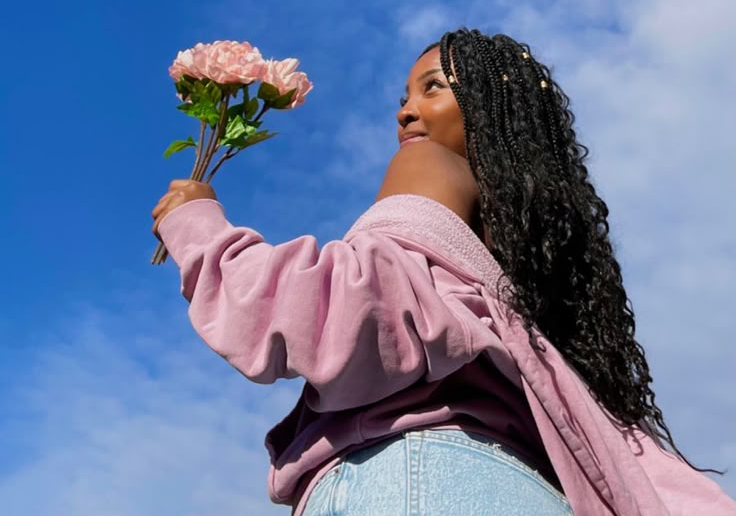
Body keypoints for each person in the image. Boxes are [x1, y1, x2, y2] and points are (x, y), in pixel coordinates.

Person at [152, 28, 735, 515]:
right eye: (404, 97)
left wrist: (197, 223)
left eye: (432, 88)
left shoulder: (428, 164)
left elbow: (342, 310)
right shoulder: (519, 273)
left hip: (419, 477)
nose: (406, 111)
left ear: (488, 108)